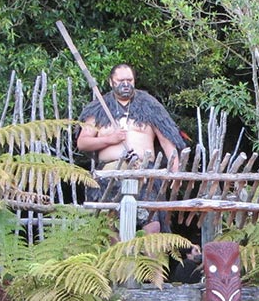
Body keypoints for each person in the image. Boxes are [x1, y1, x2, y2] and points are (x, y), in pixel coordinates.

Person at [77, 63, 187, 234]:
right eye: (121, 80)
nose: (126, 84)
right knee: (109, 224)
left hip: (144, 171)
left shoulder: (150, 106)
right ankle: (116, 260)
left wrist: (175, 172)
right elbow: (83, 143)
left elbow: (168, 141)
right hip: (110, 173)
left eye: (129, 80)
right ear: (111, 81)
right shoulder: (99, 107)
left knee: (152, 223)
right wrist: (110, 139)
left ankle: (151, 261)